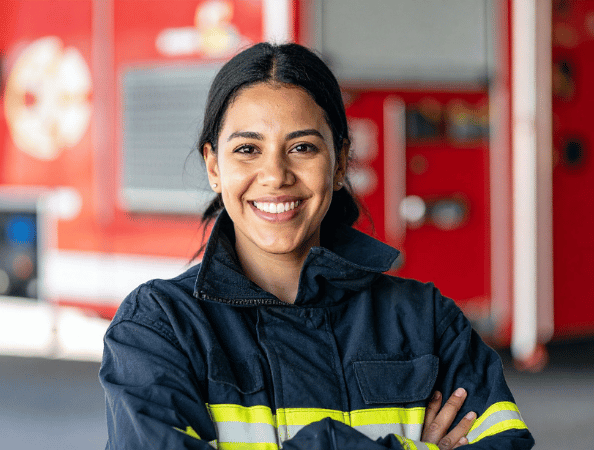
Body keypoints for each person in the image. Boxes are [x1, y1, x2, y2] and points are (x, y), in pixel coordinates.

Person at [99, 42, 534, 450]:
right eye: (248, 149)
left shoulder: (427, 322)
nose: (275, 175)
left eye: (302, 147)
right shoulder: (160, 327)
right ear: (214, 166)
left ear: (341, 162)